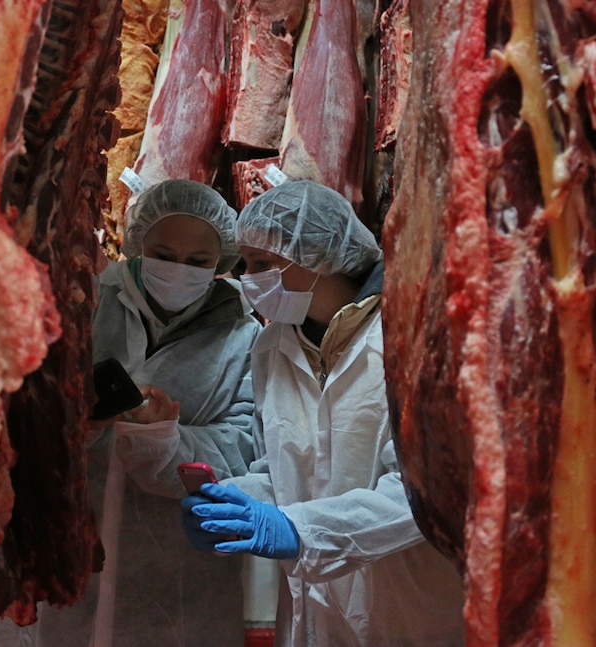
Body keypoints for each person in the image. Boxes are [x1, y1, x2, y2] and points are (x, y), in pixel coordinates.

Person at [180, 180, 466, 646]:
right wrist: (236, 499)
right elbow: (283, 470)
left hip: (412, 613)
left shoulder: (412, 335)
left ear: (316, 255)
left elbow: (428, 495)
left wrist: (299, 529)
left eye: (262, 264)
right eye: (246, 264)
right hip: (314, 615)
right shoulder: (272, 344)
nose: (248, 279)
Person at [0, 179, 260, 647]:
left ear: (222, 262)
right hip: (63, 555)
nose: (178, 270)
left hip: (179, 586)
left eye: (198, 262)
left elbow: (244, 451)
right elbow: (14, 415)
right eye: (163, 253)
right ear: (137, 243)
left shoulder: (244, 337)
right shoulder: (81, 305)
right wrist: (74, 428)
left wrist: (162, 440)